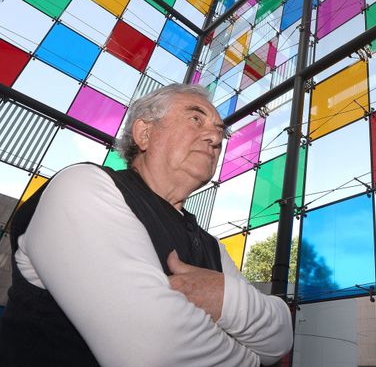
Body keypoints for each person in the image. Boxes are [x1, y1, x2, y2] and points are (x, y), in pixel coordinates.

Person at [0, 84, 293, 366]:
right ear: (145, 132)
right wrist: (252, 357)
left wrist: (224, 296)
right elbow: (157, 350)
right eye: (195, 118)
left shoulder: (212, 246)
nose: (215, 139)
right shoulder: (82, 186)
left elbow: (281, 336)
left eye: (219, 132)